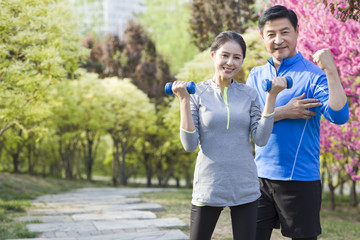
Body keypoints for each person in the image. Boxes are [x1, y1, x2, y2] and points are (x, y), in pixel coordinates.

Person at [246, 5, 349, 240]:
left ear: (297, 32)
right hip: (258, 179)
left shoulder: (314, 74)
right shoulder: (256, 74)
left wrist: (331, 71)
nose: (278, 40)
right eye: (271, 34)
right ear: (263, 37)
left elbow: (339, 116)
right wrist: (283, 111)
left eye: (285, 32)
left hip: (300, 180)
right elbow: (249, 121)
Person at [171, 31, 287, 240]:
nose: (230, 62)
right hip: (209, 184)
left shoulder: (249, 94)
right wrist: (184, 102)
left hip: (244, 186)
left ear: (242, 59)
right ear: (213, 55)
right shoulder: (196, 93)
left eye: (237, 57)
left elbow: (260, 139)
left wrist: (271, 98)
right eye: (225, 55)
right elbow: (189, 145)